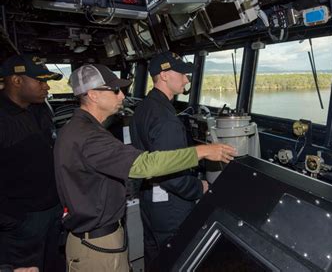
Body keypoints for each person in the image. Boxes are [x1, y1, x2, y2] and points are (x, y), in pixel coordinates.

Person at [54, 63, 236, 272]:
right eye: (115, 90)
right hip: (98, 245)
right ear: (93, 95)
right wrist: (202, 152)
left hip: (97, 235)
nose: (122, 96)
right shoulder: (89, 137)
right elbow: (144, 164)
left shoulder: (78, 129)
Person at [130, 51, 205, 269]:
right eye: (181, 73)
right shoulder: (165, 119)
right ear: (163, 76)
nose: (186, 79)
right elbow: (172, 177)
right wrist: (199, 186)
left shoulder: (144, 108)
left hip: (149, 202)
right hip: (171, 210)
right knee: (177, 261)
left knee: (155, 259)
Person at [0, 55, 65, 272]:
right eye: (40, 81)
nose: (46, 86)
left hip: (52, 211)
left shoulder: (40, 109)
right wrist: (11, 220)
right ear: (16, 80)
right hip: (21, 220)